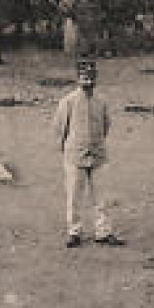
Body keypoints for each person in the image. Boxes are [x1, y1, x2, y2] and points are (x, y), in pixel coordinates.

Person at [53, 59, 122, 248]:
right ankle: (74, 232)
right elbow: (60, 128)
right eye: (84, 76)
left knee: (102, 197)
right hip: (75, 155)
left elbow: (106, 125)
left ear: (96, 78)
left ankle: (103, 232)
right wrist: (67, 150)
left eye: (91, 76)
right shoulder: (68, 101)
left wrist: (97, 143)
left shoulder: (102, 101)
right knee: (74, 196)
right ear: (78, 78)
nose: (88, 80)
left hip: (98, 154)